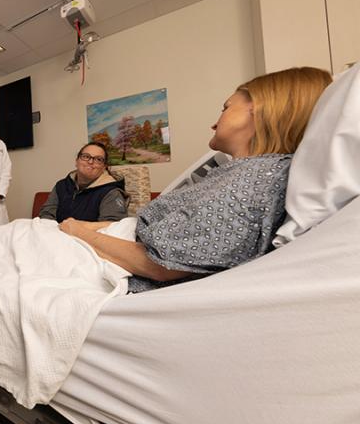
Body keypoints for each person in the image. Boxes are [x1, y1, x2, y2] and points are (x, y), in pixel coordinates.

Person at [60, 67, 332, 293]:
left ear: (260, 111)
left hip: (118, 256)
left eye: (225, 108)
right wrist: (80, 227)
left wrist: (78, 232)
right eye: (85, 157)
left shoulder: (254, 182)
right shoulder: (238, 173)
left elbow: (161, 264)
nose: (215, 123)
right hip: (113, 238)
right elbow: (154, 227)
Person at [39, 142, 129, 223]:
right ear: (77, 161)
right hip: (56, 236)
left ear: (104, 167)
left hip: (90, 240)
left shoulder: (112, 192)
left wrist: (77, 230)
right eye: (86, 156)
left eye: (98, 159)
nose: (90, 161)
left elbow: (113, 226)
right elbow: (46, 214)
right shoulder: (61, 186)